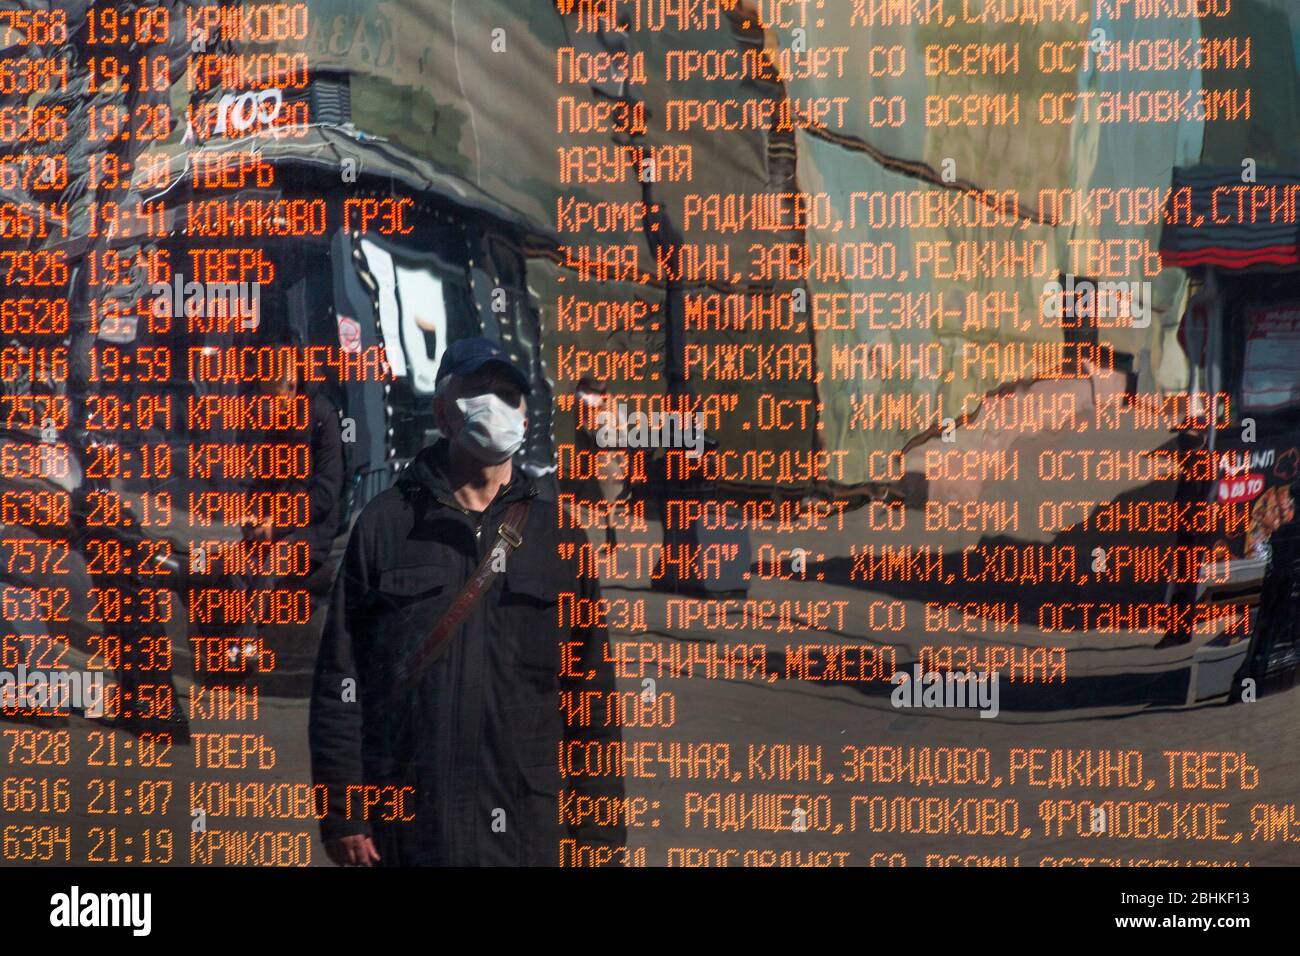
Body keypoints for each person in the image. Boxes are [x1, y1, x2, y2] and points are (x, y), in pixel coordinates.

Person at [309, 337, 626, 866]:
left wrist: (597, 836)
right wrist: (344, 811)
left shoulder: (560, 540)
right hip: (407, 832)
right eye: (479, 391)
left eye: (508, 395)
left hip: (526, 830)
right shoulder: (386, 526)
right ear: (443, 411)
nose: (496, 406)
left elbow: (591, 699)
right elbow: (341, 684)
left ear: (525, 420)